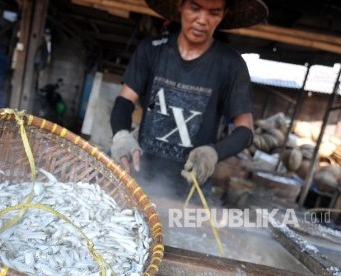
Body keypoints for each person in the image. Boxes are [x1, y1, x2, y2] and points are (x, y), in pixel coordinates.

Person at [110, 0, 268, 195]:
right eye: (195, 8)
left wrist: (214, 152)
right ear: (180, 6)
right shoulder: (151, 50)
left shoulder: (231, 65)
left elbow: (245, 131)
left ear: (224, 14)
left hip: (191, 191)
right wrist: (121, 135)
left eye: (214, 13)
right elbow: (124, 102)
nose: (202, 20)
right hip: (140, 180)